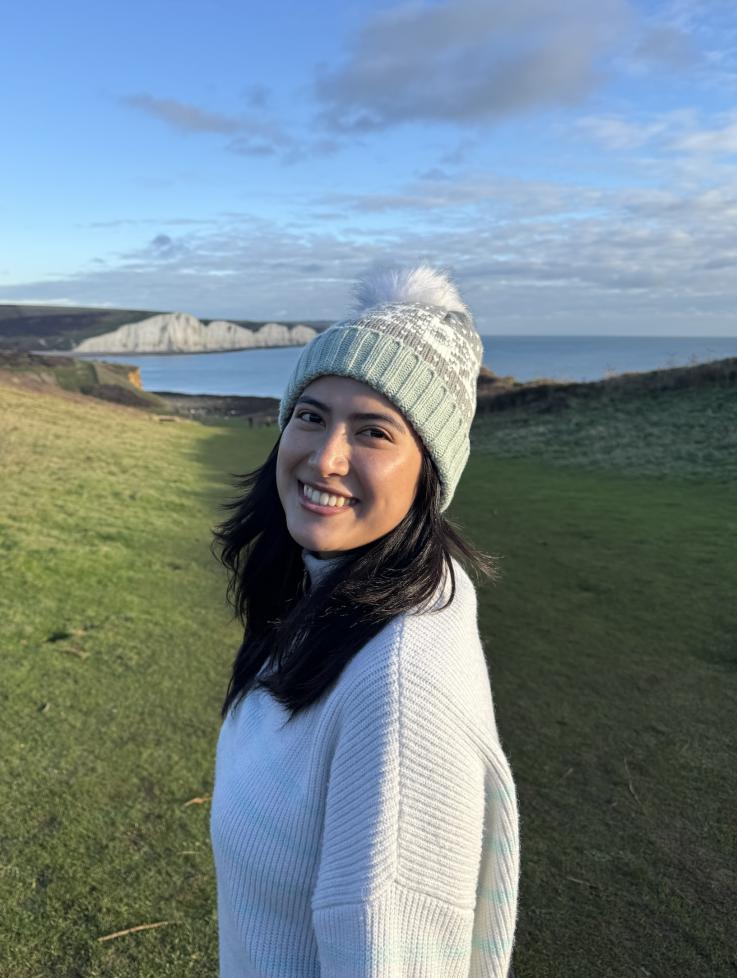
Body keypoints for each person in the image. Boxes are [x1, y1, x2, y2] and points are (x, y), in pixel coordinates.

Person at [209, 265, 520, 978]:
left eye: (373, 431)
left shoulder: (401, 695)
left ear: (428, 476)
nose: (325, 458)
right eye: (310, 415)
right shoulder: (323, 599)